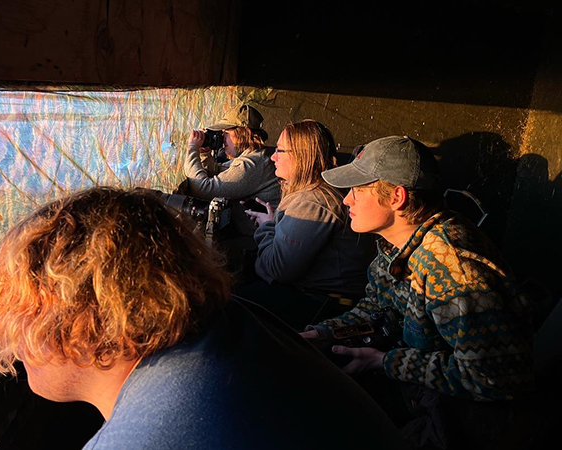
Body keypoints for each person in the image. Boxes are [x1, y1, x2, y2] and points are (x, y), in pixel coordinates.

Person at [0, 187, 405, 450]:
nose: (15, 323)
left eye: (26, 309)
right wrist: (11, 309)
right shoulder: (230, 322)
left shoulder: (146, 440)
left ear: (81, 327)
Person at [300, 136, 535, 448]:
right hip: (418, 389)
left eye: (357, 190)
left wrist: (386, 361)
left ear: (396, 197)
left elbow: (493, 378)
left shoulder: (449, 266)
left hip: (466, 419)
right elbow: (376, 308)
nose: (346, 201)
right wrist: (322, 334)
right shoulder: (396, 242)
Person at [245, 120, 373, 299]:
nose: (273, 157)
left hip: (322, 301)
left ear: (301, 156)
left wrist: (266, 226)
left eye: (279, 150)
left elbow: (278, 269)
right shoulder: (314, 193)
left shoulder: (313, 201)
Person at [184, 103, 280, 236]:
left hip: (258, 240)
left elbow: (202, 189)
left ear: (245, 132)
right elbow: (221, 171)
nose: (223, 139)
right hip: (258, 234)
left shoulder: (253, 163)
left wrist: (192, 147)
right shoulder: (257, 155)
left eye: (226, 133)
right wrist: (205, 154)